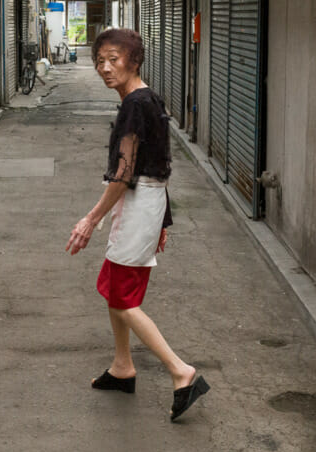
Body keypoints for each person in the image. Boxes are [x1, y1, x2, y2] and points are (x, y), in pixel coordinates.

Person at [65, 28, 210, 422]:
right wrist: (161, 220)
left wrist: (90, 220)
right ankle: (122, 366)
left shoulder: (134, 103)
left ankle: (181, 372)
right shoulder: (147, 99)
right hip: (145, 205)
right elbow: (160, 163)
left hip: (136, 204)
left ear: (134, 61)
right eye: (100, 61)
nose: (105, 68)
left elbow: (125, 173)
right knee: (115, 290)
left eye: (114, 59)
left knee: (124, 298)